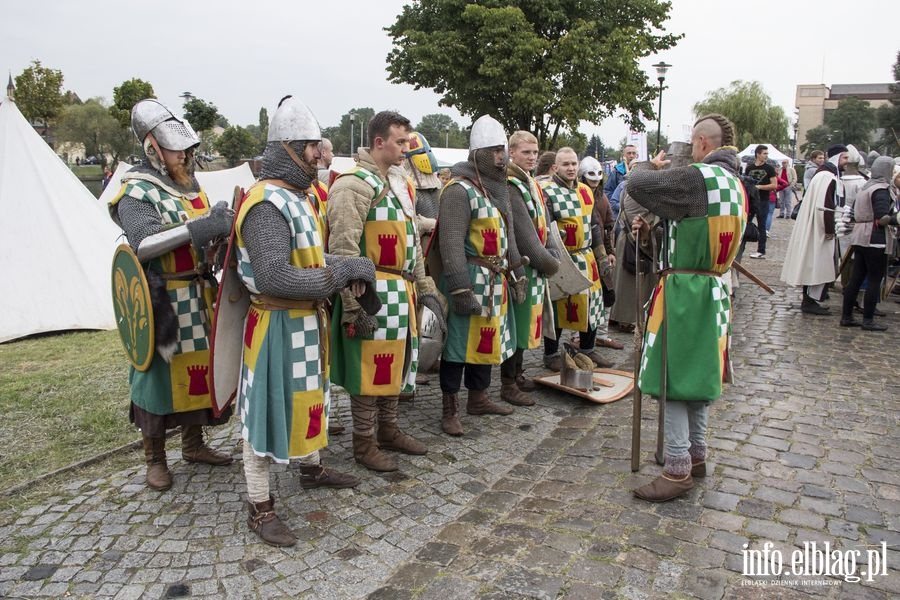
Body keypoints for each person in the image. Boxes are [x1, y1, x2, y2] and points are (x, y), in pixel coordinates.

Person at [235, 96, 378, 546]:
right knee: (264, 412)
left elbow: (310, 260)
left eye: (319, 146)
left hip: (306, 324)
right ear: (288, 148)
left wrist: (353, 266)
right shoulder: (264, 203)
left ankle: (311, 469)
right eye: (312, 146)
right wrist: (342, 273)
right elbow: (277, 277)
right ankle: (260, 506)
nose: (321, 154)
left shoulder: (300, 197)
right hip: (277, 326)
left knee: (312, 398)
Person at [109, 99, 234, 492]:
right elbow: (143, 244)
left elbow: (198, 231)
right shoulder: (137, 189)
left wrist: (217, 228)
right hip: (160, 301)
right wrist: (198, 229)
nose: (185, 155)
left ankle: (194, 445)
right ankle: (155, 459)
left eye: (187, 149)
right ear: (153, 148)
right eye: (178, 149)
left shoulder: (190, 186)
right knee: (157, 382)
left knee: (199, 372)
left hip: (198, 294)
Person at [626, 114, 746, 502]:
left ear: (701, 143)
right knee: (697, 380)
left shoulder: (698, 177)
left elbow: (637, 183)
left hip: (685, 293)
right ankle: (696, 455)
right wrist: (657, 232)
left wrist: (651, 165)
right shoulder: (736, 184)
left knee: (673, 379)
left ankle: (677, 469)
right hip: (713, 288)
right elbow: (696, 227)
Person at [328, 111, 446, 472]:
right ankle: (364, 443)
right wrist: (352, 305)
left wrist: (426, 289)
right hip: (371, 290)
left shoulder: (399, 181)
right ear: (379, 142)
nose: (407, 149)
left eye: (409, 142)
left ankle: (389, 429)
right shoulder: (353, 184)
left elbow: (412, 242)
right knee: (369, 371)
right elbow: (342, 249)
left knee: (397, 364)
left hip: (402, 291)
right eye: (400, 142)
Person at [436, 115, 527, 435]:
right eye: (495, 152)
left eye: (503, 151)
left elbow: (509, 236)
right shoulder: (458, 190)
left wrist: (517, 274)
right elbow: (449, 243)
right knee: (457, 345)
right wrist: (460, 288)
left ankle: (478, 398)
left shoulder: (498, 189)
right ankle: (450, 408)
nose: (502, 158)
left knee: (486, 342)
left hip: (496, 279)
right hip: (470, 277)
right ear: (479, 154)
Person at [500, 131, 560, 406]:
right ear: (511, 152)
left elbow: (544, 224)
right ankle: (508, 382)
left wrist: (551, 251)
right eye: (526, 152)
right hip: (522, 266)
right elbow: (524, 235)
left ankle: (519, 373)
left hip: (536, 267)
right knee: (517, 324)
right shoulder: (511, 184)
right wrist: (549, 261)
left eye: (535, 153)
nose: (532, 157)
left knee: (527, 324)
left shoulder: (531, 183)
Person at [541, 148, 609, 370]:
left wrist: (601, 256)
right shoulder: (547, 193)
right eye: (565, 164)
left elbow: (593, 225)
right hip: (562, 257)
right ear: (556, 167)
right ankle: (551, 354)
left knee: (592, 305)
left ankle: (588, 349)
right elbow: (546, 230)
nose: (571, 168)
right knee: (559, 306)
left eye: (573, 164)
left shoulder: (585, 191)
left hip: (587, 256)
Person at [781, 144, 848, 315]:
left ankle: (811, 300)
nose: (847, 161)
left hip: (817, 227)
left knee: (814, 265)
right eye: (845, 158)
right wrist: (829, 229)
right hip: (819, 229)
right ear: (837, 158)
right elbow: (825, 207)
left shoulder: (825, 175)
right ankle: (809, 301)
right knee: (816, 265)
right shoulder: (827, 177)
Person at [840, 156, 897, 331]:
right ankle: (868, 320)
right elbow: (881, 218)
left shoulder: (866, 187)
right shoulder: (880, 189)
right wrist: (897, 218)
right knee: (874, 279)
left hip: (860, 236)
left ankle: (847, 316)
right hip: (874, 238)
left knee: (856, 278)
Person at [579, 156, 622, 351]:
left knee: (607, 295)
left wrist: (610, 251)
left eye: (597, 179)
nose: (594, 182)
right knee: (581, 297)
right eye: (590, 178)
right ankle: (577, 337)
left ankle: (601, 335)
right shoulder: (577, 195)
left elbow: (607, 227)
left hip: (600, 254)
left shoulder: (602, 198)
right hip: (581, 253)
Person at [403, 131, 441, 240]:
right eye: (420, 153)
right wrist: (424, 224)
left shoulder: (438, 186)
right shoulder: (406, 188)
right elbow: (405, 227)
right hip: (420, 245)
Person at [744, 145, 777, 258]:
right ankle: (740, 247)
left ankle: (761, 250)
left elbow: (774, 185)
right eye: (764, 153)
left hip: (763, 200)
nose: (766, 156)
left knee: (762, 225)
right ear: (758, 154)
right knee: (745, 223)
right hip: (751, 200)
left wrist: (759, 187)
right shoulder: (749, 168)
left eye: (767, 154)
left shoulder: (769, 168)